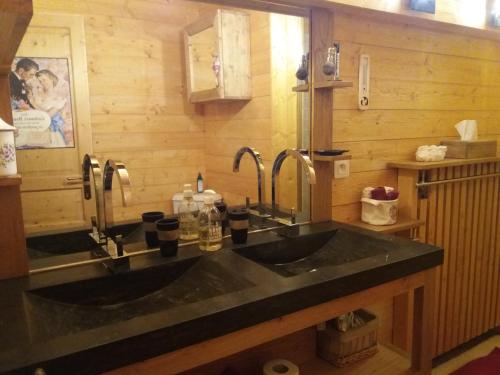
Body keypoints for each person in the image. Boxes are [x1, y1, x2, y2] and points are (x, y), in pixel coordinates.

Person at [28, 69, 67, 147]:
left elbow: (48, 116)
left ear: (51, 79)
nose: (42, 83)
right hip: (37, 131)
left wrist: (33, 103)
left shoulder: (59, 98)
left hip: (52, 132)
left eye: (44, 80)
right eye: (40, 81)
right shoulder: (37, 96)